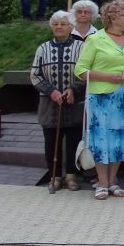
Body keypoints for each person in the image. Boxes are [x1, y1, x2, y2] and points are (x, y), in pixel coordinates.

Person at [74, 0, 124, 201]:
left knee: (120, 139)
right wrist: (107, 77)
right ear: (113, 18)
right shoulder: (95, 39)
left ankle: (113, 181)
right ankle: (102, 183)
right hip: (102, 97)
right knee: (101, 139)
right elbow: (80, 70)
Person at [30, 11, 85, 190]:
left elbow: (86, 72)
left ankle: (71, 176)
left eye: (63, 24)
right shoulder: (43, 48)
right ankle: (54, 176)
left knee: (73, 140)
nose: (59, 27)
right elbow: (35, 75)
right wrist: (50, 91)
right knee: (51, 141)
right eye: (56, 24)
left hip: (73, 102)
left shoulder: (81, 47)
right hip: (49, 104)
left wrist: (74, 89)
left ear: (71, 27)